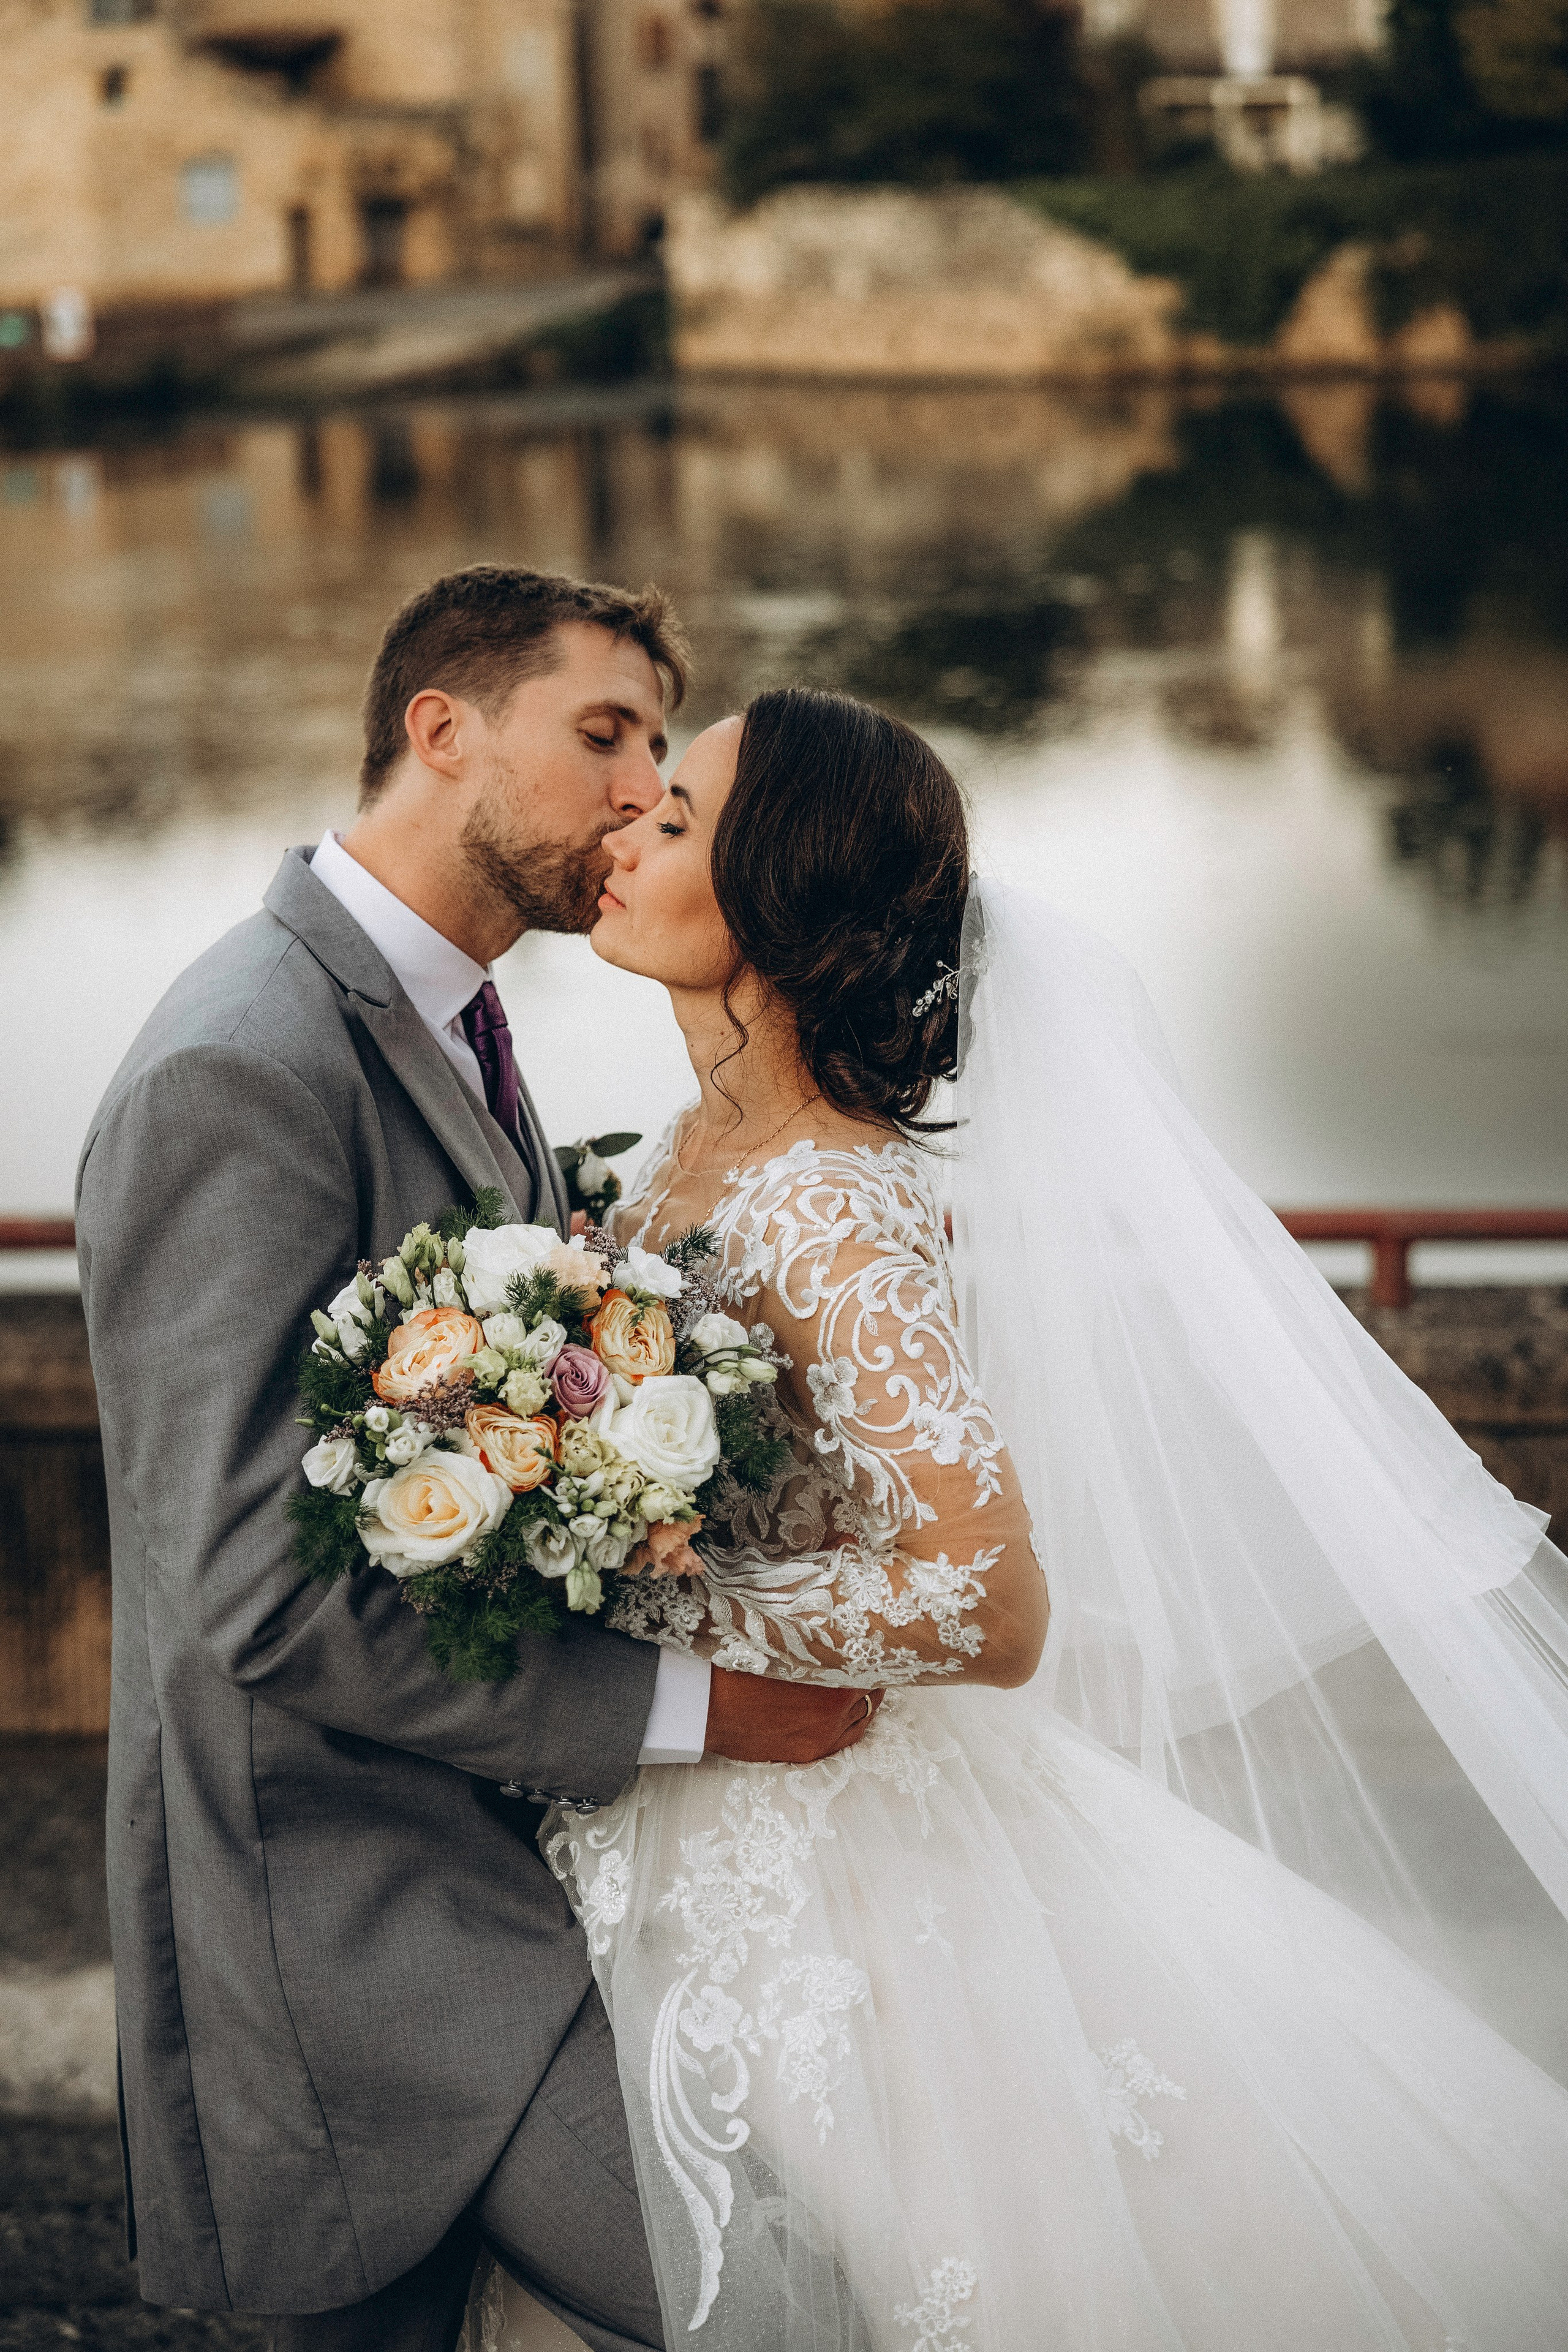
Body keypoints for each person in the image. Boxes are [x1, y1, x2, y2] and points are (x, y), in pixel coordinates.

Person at [470, 685, 1568, 2350]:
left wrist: (656, 1585)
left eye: (678, 820)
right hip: (671, 1810)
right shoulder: (686, 1152)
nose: (628, 830)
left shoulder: (833, 1201)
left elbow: (991, 1600)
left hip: (831, 1851)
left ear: (779, 892)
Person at [74, 571, 881, 2352]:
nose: (636, 793)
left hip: (510, 1873)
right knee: (792, 2314)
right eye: (603, 735)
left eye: (659, 753)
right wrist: (699, 1711)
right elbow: (251, 1602)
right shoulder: (246, 1066)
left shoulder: (449, 1021)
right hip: (355, 1932)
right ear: (441, 730)